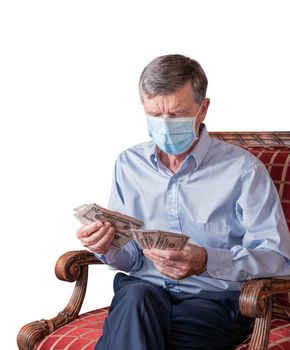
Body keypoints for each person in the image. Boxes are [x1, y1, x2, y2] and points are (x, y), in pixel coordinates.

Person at [76, 54, 290, 350]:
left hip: (213, 303)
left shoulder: (244, 171)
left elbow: (279, 260)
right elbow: (131, 258)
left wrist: (206, 260)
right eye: (155, 115)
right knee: (136, 297)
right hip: (142, 294)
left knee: (131, 331)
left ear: (202, 109)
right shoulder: (128, 164)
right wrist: (107, 247)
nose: (164, 125)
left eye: (176, 115)